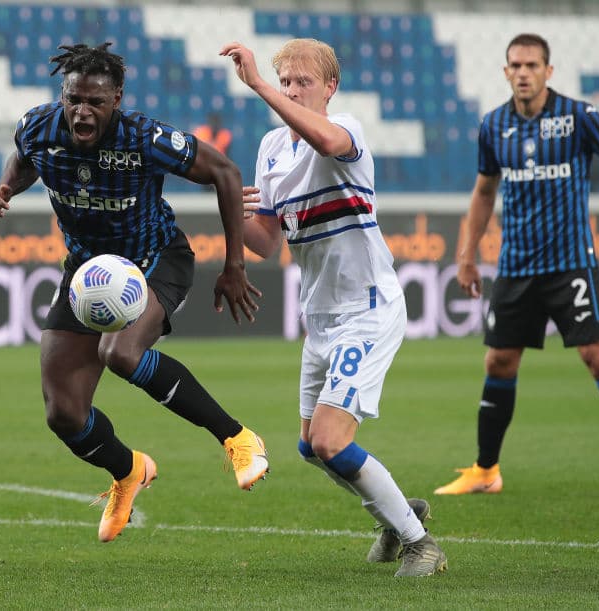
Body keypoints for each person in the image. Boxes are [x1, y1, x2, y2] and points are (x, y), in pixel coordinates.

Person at [0, 42, 268, 543]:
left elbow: (224, 171)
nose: (81, 111)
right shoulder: (37, 125)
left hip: (155, 260)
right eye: (73, 99)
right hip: (88, 273)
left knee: (121, 353)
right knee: (63, 413)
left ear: (116, 99)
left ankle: (237, 436)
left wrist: (234, 265)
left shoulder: (144, 137)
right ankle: (128, 471)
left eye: (95, 101)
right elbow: (26, 158)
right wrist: (5, 188)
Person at [220, 39, 446, 577]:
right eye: (286, 80)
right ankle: (398, 512)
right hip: (319, 317)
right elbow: (266, 241)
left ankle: (419, 543)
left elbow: (323, 140)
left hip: (367, 308)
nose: (293, 89)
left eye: (303, 82)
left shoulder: (346, 130)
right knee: (309, 446)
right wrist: (228, 206)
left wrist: (259, 85)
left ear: (330, 87)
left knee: (330, 439)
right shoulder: (272, 148)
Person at [435, 33, 599, 502]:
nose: (523, 73)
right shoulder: (493, 125)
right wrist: (467, 256)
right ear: (505, 72)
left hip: (570, 264)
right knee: (499, 360)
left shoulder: (579, 117)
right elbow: (484, 191)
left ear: (548, 71)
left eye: (532, 65)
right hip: (516, 266)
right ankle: (486, 470)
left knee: (598, 356)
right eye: (515, 65)